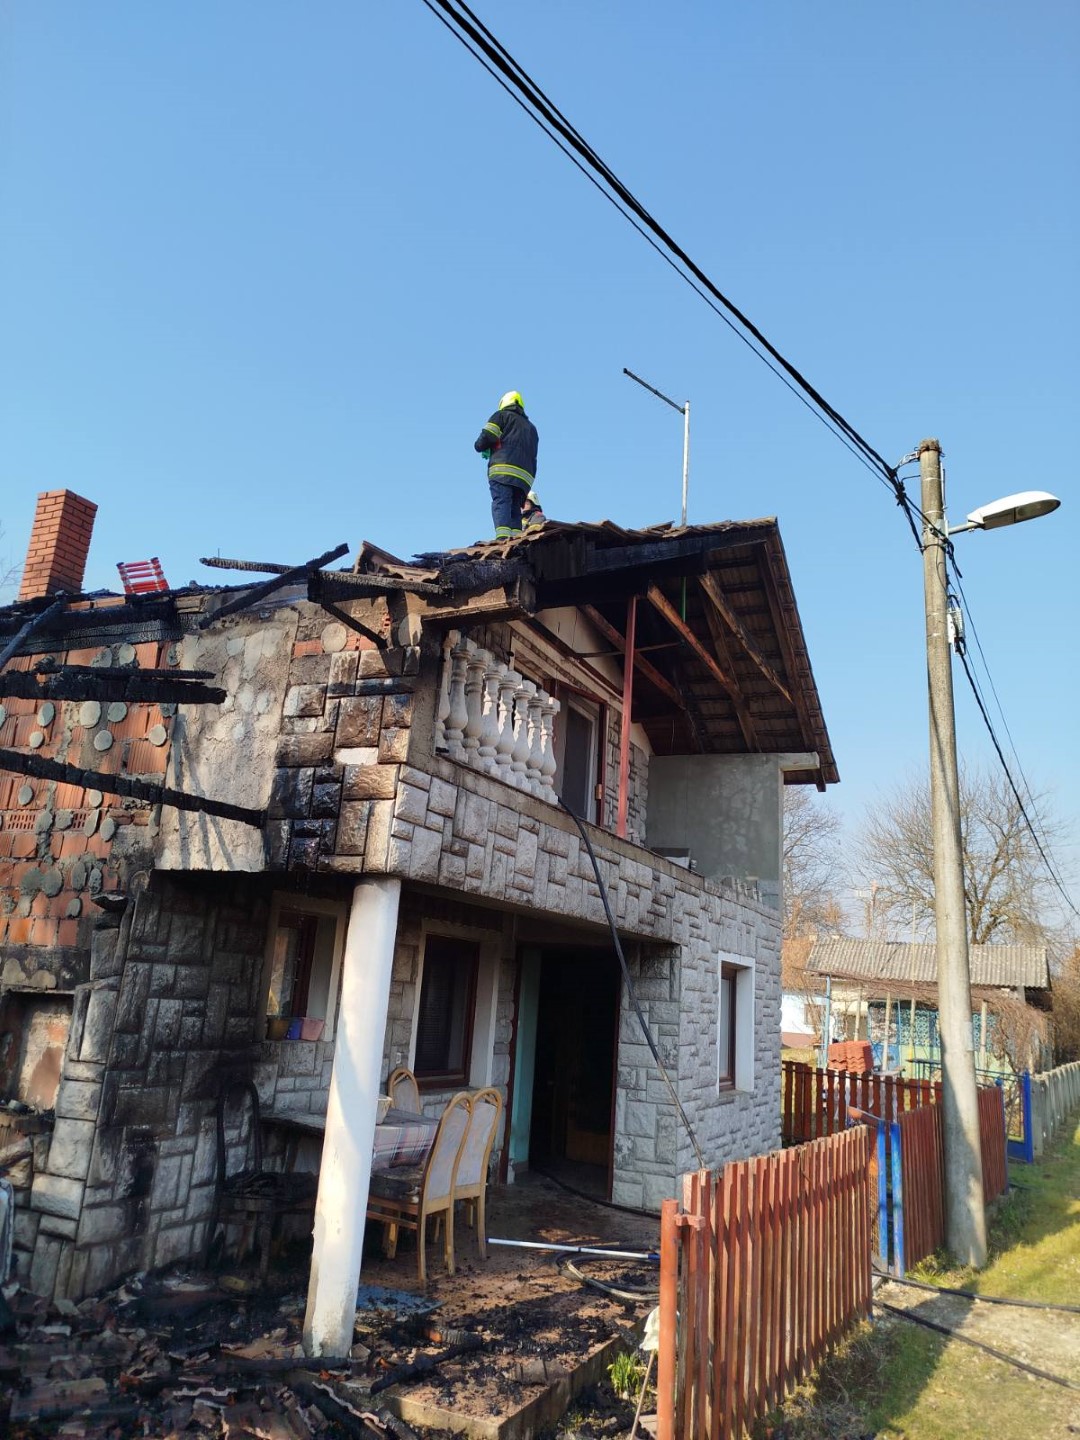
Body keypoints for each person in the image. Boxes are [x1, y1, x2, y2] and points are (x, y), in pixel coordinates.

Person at [474, 391, 539, 539]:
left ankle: (502, 538)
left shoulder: (501, 416)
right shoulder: (532, 429)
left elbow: (487, 436)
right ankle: (516, 538)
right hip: (525, 477)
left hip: (503, 470)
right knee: (515, 508)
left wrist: (480, 446)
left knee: (501, 502)